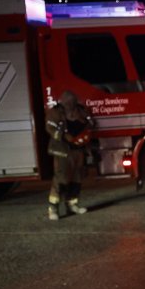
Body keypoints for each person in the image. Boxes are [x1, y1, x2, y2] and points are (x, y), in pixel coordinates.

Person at [45, 91, 94, 221]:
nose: (70, 104)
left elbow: (90, 124)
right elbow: (50, 128)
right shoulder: (55, 112)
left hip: (78, 150)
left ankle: (72, 205)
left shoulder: (81, 111)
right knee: (61, 179)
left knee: (77, 178)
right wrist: (63, 136)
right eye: (67, 101)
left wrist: (85, 136)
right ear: (62, 101)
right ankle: (53, 209)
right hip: (62, 151)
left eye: (72, 101)